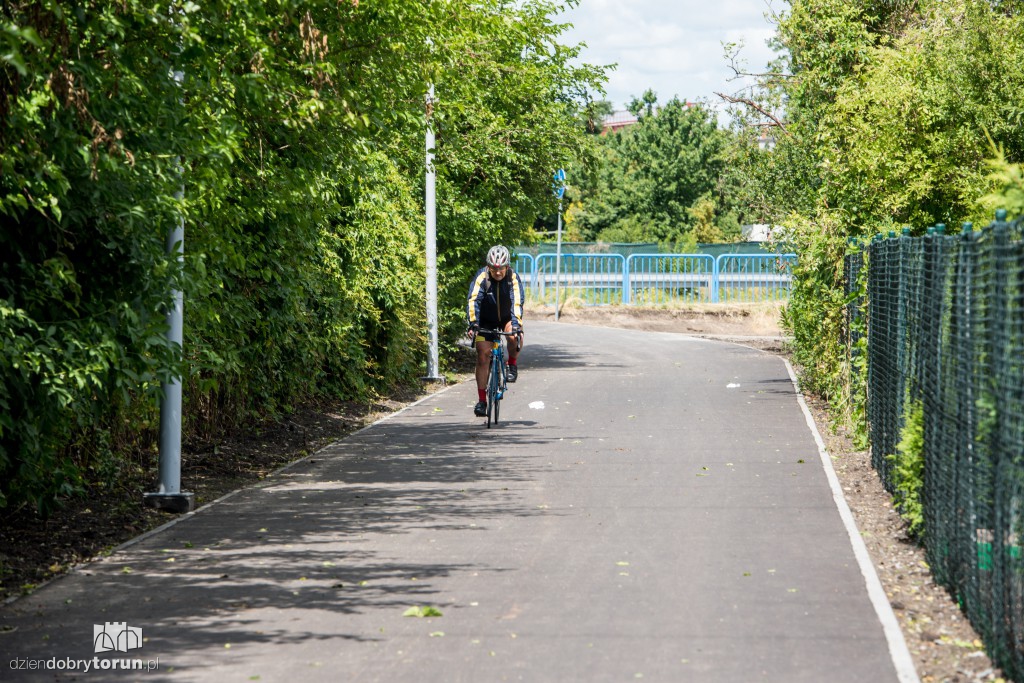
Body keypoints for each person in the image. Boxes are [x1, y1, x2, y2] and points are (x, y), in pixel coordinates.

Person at [466, 245, 525, 417]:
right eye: (494, 269)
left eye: (501, 268)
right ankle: (482, 401)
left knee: (514, 337)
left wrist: (516, 325)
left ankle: (512, 365)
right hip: (485, 320)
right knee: (482, 355)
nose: (497, 272)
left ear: (507, 266)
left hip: (507, 318)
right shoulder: (482, 277)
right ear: (488, 267)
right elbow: (473, 300)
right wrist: (473, 324)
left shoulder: (512, 278)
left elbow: (517, 302)